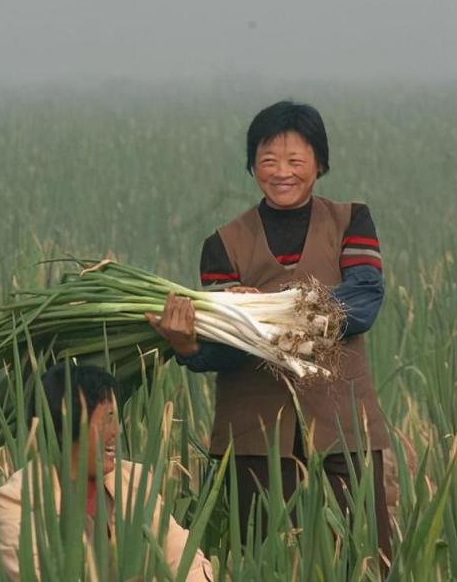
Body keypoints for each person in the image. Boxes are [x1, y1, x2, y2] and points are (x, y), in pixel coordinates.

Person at [146, 100, 392, 563]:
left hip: (344, 424)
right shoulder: (224, 242)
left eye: (296, 161)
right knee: (255, 560)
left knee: (367, 558)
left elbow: (364, 302)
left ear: (319, 164)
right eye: (268, 161)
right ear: (252, 166)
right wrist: (185, 344)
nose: (283, 172)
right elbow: (221, 349)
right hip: (254, 430)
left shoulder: (350, 221)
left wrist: (267, 316)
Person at [0, 363, 213, 581]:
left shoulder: (133, 482)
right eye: (106, 419)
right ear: (65, 426)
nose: (115, 431)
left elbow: (185, 560)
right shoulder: (18, 501)